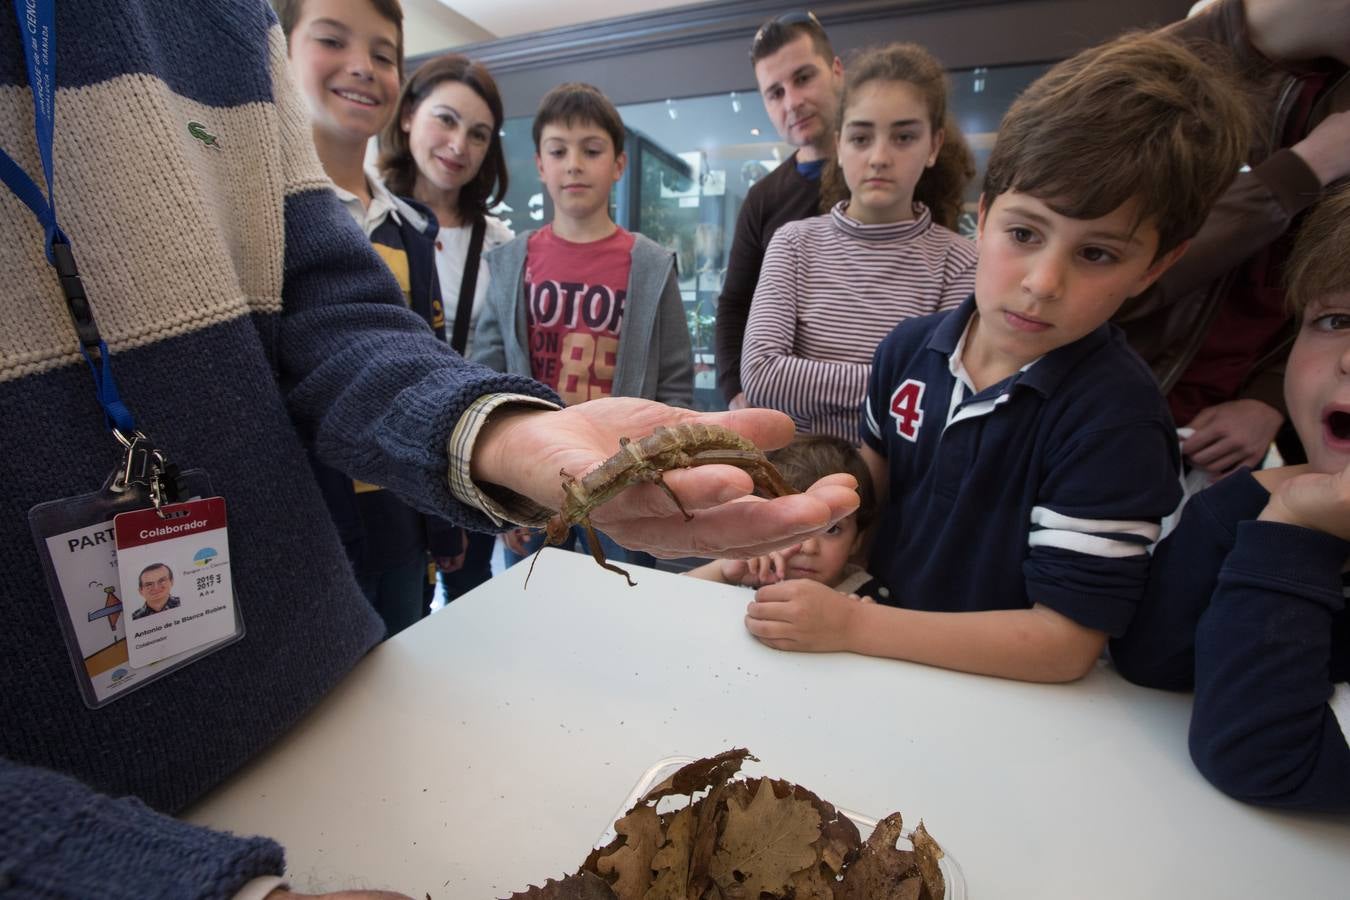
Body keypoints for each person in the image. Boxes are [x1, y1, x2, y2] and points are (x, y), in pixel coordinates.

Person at [0, 3, 858, 897]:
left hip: (327, 692)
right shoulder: (508, 253)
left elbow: (325, 309)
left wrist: (502, 432)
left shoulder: (223, 20)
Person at [743, 33, 1252, 683]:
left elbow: (1063, 643)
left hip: (998, 692)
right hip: (870, 663)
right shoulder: (903, 352)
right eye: (1024, 233)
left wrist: (854, 624)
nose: (1043, 281)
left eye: (1096, 253)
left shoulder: (1116, 422)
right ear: (982, 218)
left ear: (1156, 265)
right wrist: (784, 550)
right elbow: (865, 509)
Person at [1111, 185, 1350, 812]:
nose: (1349, 357)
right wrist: (1254, 504)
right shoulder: (1277, 501)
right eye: (1335, 321)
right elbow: (1153, 659)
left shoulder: (1297, 516)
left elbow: (1265, 762)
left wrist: (1294, 530)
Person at [278, 0, 457, 637]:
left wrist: (442, 518)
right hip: (307, 524)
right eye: (331, 41)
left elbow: (430, 365)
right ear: (280, 54)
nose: (362, 68)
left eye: (383, 55)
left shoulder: (410, 227)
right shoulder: (264, 217)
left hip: (400, 511)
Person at [1115, 0, 1350, 480]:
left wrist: (1268, 399)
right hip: (1103, 422)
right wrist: (1306, 168)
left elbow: (1327, 287)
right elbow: (1104, 278)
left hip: (1230, 459)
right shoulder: (1142, 79)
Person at [472, 82, 695, 571]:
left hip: (625, 479)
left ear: (618, 164)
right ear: (541, 165)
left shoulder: (652, 265)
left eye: (591, 150)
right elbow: (484, 377)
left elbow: (676, 383)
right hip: (533, 481)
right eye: (559, 150)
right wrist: (501, 489)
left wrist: (660, 475)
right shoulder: (510, 262)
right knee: (532, 610)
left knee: (621, 612)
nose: (574, 163)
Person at [740, 42, 977, 442]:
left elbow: (943, 393)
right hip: (795, 479)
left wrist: (808, 378)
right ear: (839, 143)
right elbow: (762, 376)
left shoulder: (960, 261)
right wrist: (895, 380)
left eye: (903, 137)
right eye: (861, 137)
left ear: (933, 145)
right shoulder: (794, 244)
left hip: (902, 488)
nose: (879, 157)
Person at [379, 53, 515, 605]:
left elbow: (504, 362)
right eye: (446, 119)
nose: (459, 145)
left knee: (472, 603)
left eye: (478, 134)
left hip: (467, 459)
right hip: (383, 456)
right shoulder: (370, 219)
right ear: (409, 114)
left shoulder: (502, 244)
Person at [715, 10, 845, 410]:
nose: (793, 101)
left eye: (804, 78)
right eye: (775, 92)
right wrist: (736, 392)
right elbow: (735, 302)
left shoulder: (890, 177)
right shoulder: (763, 198)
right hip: (786, 416)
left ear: (837, 71)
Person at [689, 435, 885, 599]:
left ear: (857, 541)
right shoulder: (748, 573)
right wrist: (723, 572)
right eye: (791, 523)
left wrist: (853, 621)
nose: (808, 548)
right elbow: (671, 598)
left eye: (832, 529)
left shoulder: (866, 599)